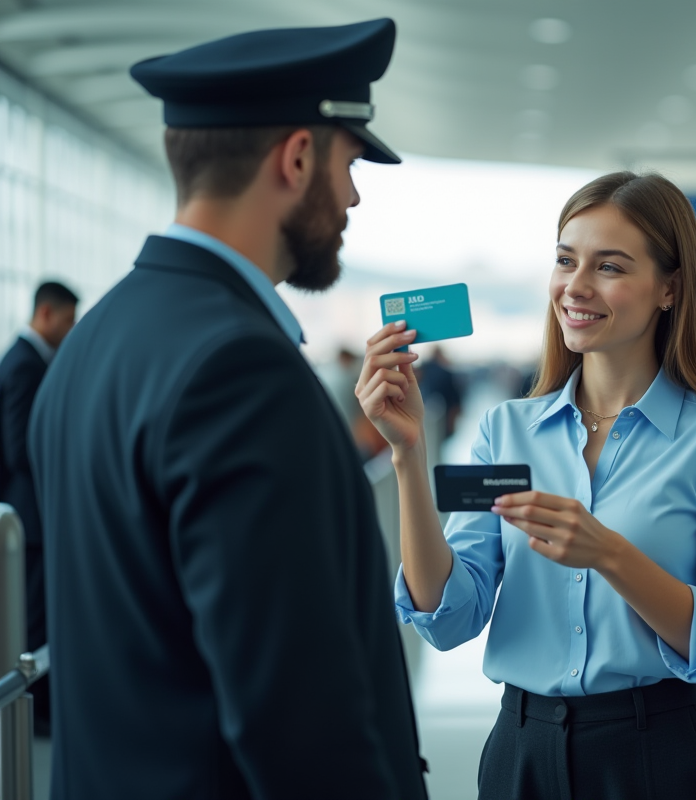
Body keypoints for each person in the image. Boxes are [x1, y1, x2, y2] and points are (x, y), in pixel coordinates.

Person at [27, 20, 428, 799]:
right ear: (299, 157)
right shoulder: (240, 370)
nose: (351, 196)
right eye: (349, 164)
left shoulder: (92, 343)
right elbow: (299, 723)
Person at [359, 172, 696, 800]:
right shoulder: (507, 430)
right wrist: (408, 454)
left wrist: (609, 554)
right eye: (566, 260)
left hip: (656, 756)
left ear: (669, 288)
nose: (575, 287)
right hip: (521, 753)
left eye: (609, 266)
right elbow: (449, 616)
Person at [0, 281, 77, 735]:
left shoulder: (26, 360)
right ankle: (36, 710)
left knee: (34, 612)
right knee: (31, 615)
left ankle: (39, 706)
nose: (70, 332)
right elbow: (20, 446)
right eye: (67, 322)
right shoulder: (25, 365)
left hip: (28, 514)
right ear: (46, 313)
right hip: (28, 516)